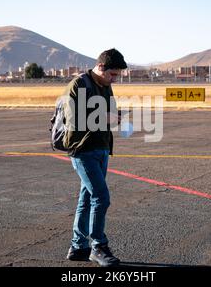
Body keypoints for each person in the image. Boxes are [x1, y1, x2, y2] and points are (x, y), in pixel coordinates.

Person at [63, 48, 127, 267]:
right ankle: (98, 246)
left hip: (101, 148)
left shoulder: (106, 86)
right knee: (101, 196)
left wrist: (116, 118)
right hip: (82, 150)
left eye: (117, 75)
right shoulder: (78, 85)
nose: (114, 79)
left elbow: (110, 112)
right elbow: (75, 120)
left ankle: (78, 246)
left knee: (87, 198)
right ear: (100, 67)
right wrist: (104, 116)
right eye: (112, 74)